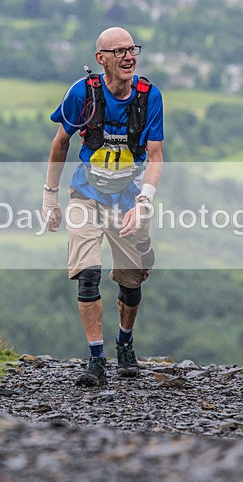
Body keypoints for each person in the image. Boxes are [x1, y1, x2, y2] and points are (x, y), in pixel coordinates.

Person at [42, 27, 164, 386]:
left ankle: (124, 343)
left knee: (131, 281)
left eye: (132, 49)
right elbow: (60, 142)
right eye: (119, 51)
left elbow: (156, 156)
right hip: (86, 194)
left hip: (130, 198)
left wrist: (144, 202)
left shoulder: (149, 97)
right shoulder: (82, 93)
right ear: (101, 59)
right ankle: (96, 358)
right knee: (88, 273)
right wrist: (50, 196)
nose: (129, 57)